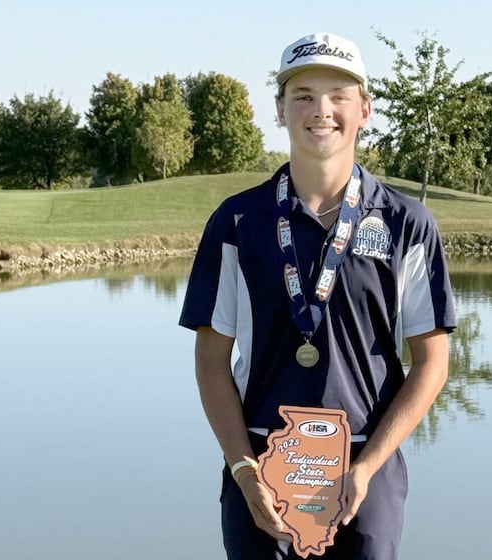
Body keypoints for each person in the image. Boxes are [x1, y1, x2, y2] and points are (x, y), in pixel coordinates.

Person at [179, 31, 456, 560]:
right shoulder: (237, 222)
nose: (321, 110)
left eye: (338, 96)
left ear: (365, 110)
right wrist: (243, 470)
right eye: (303, 95)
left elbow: (432, 364)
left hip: (365, 467)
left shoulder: (407, 224)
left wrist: (368, 466)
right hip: (260, 462)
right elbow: (211, 362)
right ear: (280, 109)